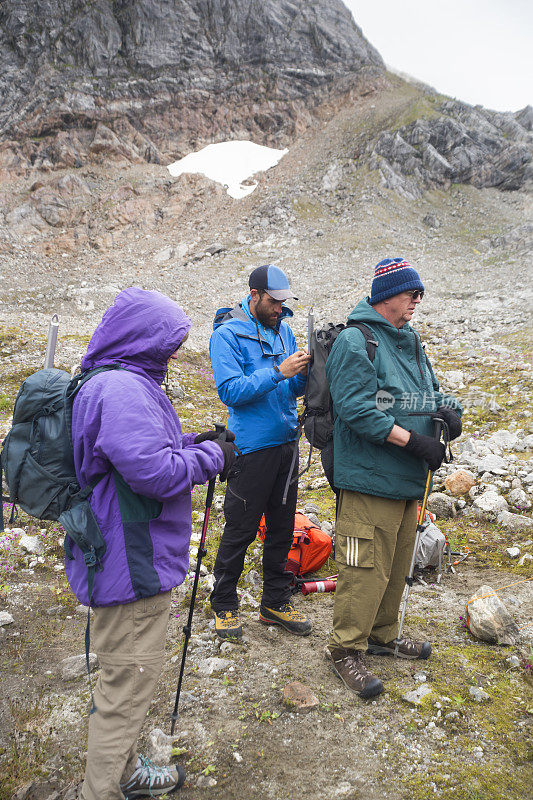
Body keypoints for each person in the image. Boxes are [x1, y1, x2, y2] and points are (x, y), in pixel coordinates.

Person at [66, 288, 235, 799]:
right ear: (141, 339)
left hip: (116, 553)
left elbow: (137, 455)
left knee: (125, 682)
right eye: (169, 342)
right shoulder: (122, 389)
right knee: (125, 688)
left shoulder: (111, 382)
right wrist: (212, 458)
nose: (175, 353)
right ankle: (105, 790)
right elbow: (154, 473)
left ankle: (124, 772)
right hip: (131, 563)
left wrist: (194, 443)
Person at [325, 258, 462, 698]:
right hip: (368, 479)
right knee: (363, 567)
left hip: (407, 481)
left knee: (397, 566)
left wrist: (448, 411)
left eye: (419, 295)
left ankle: (383, 636)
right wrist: (414, 442)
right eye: (411, 295)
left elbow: (420, 393)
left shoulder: (408, 340)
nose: (416, 303)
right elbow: (359, 409)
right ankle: (345, 650)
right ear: (386, 295)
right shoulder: (354, 340)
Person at [208, 265, 312, 639]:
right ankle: (223, 604)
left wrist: (303, 373)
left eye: (284, 303)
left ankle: (274, 602)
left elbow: (293, 389)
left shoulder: (284, 328)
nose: (280, 310)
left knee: (282, 529)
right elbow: (230, 392)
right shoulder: (227, 335)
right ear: (254, 295)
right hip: (250, 450)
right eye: (273, 302)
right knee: (240, 529)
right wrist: (280, 372)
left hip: (286, 445)